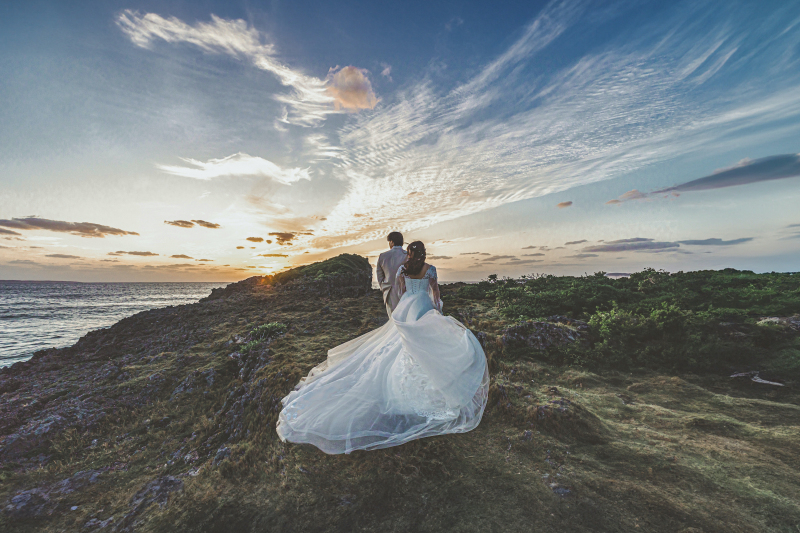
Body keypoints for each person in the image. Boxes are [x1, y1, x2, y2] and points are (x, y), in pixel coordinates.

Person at [276, 241, 489, 454]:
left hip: (406, 306)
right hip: (423, 306)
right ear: (423, 254)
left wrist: (405, 301)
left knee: (402, 344)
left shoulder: (403, 269)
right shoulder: (430, 269)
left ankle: (404, 383)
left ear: (409, 254)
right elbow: (436, 292)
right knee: (426, 342)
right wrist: (437, 310)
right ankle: (431, 379)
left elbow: (401, 291)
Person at [376, 231, 407, 316]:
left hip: (389, 291)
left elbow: (379, 275)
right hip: (406, 291)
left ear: (392, 242)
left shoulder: (383, 256)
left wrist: (383, 287)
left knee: (392, 318)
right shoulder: (407, 255)